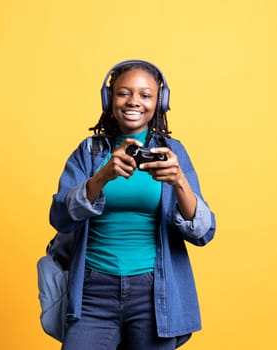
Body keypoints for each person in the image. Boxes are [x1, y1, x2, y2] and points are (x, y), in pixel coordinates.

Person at [49, 59, 216, 350]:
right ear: (109, 98)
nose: (133, 101)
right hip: (92, 290)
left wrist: (179, 181)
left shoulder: (173, 153)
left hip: (153, 293)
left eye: (145, 95)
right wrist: (102, 176)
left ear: (159, 102)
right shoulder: (89, 152)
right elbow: (60, 218)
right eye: (124, 93)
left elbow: (202, 232)